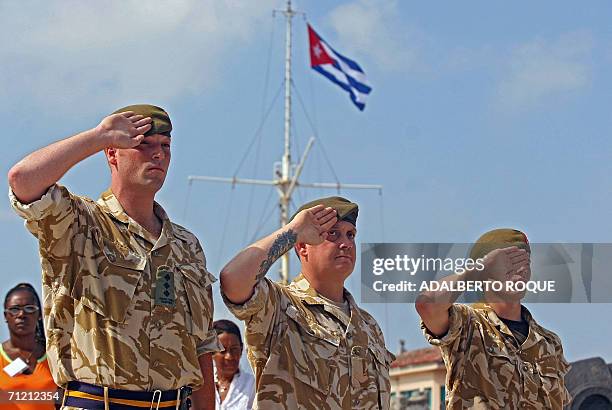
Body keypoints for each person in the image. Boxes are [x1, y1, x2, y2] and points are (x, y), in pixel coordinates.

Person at [8, 105, 221, 410]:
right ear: (112, 154)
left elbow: (202, 345)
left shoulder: (186, 246)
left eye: (165, 146)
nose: (158, 155)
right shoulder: (81, 223)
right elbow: (23, 180)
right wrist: (99, 135)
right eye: (144, 145)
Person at [220, 196, 395, 409]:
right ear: (303, 247)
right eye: (333, 234)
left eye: (351, 235)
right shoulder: (280, 306)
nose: (346, 243)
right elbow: (232, 279)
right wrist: (292, 231)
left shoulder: (369, 327)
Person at [415, 228, 571, 409]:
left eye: (525, 262)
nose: (520, 271)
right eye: (510, 264)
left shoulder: (549, 342)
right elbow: (427, 305)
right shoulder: (468, 325)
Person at [1, 283, 57, 410]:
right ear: (6, 316)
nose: (21, 314)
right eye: (14, 309)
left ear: (39, 315)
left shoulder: (55, 358)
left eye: (29, 308)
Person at [212, 320, 255, 409]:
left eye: (234, 349)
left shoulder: (253, 386)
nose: (229, 356)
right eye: (222, 351)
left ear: (242, 349)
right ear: (211, 352)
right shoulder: (200, 385)